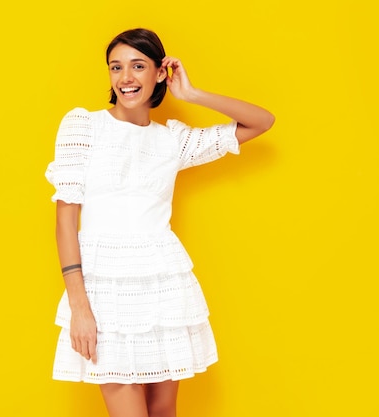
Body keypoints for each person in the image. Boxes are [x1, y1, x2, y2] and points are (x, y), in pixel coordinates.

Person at [45, 27, 275, 417]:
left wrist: (192, 95)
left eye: (138, 66)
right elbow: (66, 220)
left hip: (163, 286)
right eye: (116, 67)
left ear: (160, 74)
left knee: (164, 411)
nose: (125, 78)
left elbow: (262, 121)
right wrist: (80, 308)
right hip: (103, 292)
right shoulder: (83, 125)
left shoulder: (173, 141)